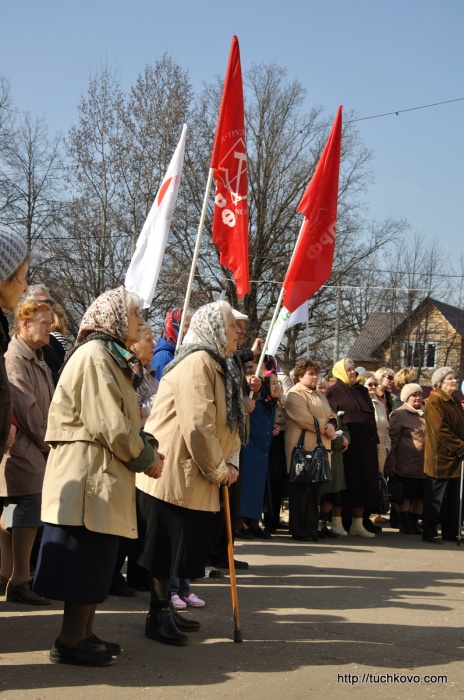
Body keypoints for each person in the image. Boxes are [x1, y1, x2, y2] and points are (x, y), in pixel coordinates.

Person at [33, 286, 162, 667]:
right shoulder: (95, 356)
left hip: (99, 476)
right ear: (116, 321)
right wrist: (147, 457)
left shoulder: (110, 357)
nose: (141, 323)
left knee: (95, 561)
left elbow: (124, 421)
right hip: (89, 478)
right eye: (136, 316)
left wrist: (145, 445)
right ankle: (70, 640)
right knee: (84, 560)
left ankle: (83, 634)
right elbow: (112, 424)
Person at [135, 300, 242, 646]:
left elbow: (232, 422)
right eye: (230, 326)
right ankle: (158, 613)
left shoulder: (218, 363)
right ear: (213, 327)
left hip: (191, 472)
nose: (236, 333)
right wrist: (218, 469)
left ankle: (166, 607)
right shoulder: (198, 362)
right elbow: (199, 424)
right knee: (165, 548)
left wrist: (233, 461)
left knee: (177, 547)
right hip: (172, 471)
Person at [0, 300, 55, 604]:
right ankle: (20, 579)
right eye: (44, 323)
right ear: (24, 324)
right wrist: (51, 442)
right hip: (23, 447)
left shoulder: (38, 357)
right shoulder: (15, 358)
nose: (50, 328)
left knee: (15, 511)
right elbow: (26, 408)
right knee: (28, 506)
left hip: (34, 446)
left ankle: (7, 572)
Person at [285, 359, 338, 542]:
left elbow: (332, 414)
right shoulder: (295, 394)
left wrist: (332, 423)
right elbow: (304, 419)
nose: (315, 377)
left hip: (319, 449)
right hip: (303, 450)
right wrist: (326, 427)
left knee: (314, 493)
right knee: (300, 492)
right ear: (300, 376)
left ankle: (311, 528)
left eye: (316, 374)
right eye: (311, 374)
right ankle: (299, 530)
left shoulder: (319, 395)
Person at [326, 358, 379, 537]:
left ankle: (358, 523)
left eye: (353, 369)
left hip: (366, 447)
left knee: (363, 484)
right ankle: (337, 521)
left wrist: (376, 442)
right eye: (348, 369)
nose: (352, 372)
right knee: (344, 485)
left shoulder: (362, 390)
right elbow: (332, 416)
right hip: (347, 446)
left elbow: (370, 417)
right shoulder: (333, 391)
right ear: (340, 371)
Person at [422, 367, 464, 544]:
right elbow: (440, 431)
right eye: (450, 379)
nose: (454, 381)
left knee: (452, 499)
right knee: (436, 498)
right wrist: (461, 447)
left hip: (454, 457)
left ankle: (450, 531)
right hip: (440, 457)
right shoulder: (435, 401)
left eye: (455, 378)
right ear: (440, 383)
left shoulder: (453, 401)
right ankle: (429, 531)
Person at [237, 370, 281, 538]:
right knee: (246, 488)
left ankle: (254, 524)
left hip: (263, 451)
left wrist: (275, 427)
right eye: (273, 383)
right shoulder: (257, 401)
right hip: (251, 448)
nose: (277, 386)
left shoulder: (272, 403)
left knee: (258, 489)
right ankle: (239, 524)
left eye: (278, 383)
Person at [385, 384, 426, 535]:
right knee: (406, 495)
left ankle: (414, 523)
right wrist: (391, 461)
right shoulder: (399, 414)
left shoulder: (425, 413)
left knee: (420, 496)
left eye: (419, 395)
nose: (417, 398)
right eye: (413, 395)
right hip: (405, 463)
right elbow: (392, 440)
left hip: (423, 464)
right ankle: (404, 523)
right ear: (406, 397)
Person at [317, 376, 350, 537]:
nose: (322, 390)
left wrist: (345, 439)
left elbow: (342, 426)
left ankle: (323, 524)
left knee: (330, 493)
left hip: (335, 456)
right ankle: (315, 523)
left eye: (324, 387)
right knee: (319, 493)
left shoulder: (330, 405)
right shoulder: (314, 404)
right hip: (320, 453)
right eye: (319, 387)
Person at [22, 285, 65, 385]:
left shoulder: (53, 342)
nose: (54, 307)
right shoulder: (11, 351)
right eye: (47, 303)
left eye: (53, 303)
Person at [152, 308, 192, 380]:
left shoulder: (180, 353)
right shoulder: (164, 358)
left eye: (192, 325)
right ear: (174, 327)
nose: (191, 329)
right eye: (187, 325)